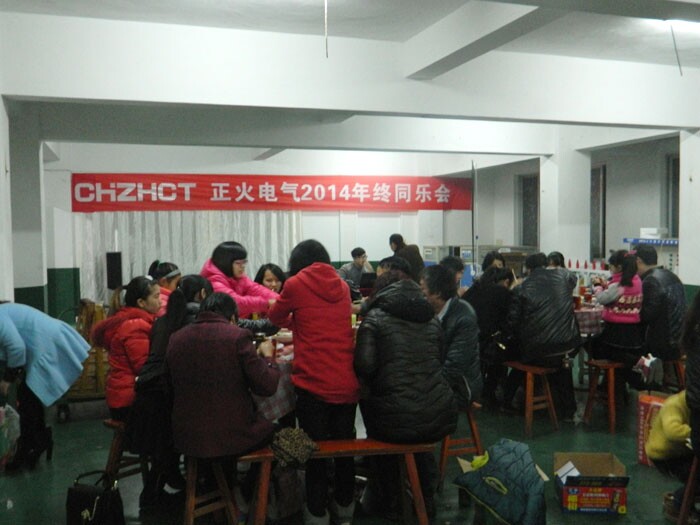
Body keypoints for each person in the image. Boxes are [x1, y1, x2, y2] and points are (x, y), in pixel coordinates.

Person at [268, 239, 359, 525]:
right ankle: (345, 507)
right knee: (344, 448)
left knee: (314, 450)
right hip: (346, 381)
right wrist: (302, 322)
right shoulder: (342, 286)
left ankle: (317, 513)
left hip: (313, 383)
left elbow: (275, 316)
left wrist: (297, 323)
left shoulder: (295, 284)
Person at [355, 270, 458, 519]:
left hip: (395, 421)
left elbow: (364, 367)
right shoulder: (431, 319)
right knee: (413, 426)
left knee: (379, 410)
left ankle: (389, 499)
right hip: (437, 415)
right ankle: (425, 497)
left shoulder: (374, 319)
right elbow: (439, 358)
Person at [165, 292, 279, 487]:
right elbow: (267, 386)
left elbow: (168, 387)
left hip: (186, 437)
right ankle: (249, 490)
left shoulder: (176, 338)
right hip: (230, 436)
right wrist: (268, 358)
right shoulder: (237, 336)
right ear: (233, 318)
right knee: (279, 433)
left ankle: (217, 488)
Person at [128, 274, 211, 507]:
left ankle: (165, 486)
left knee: (171, 438)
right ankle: (205, 485)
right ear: (203, 295)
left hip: (148, 396)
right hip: (165, 399)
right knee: (206, 422)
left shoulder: (162, 321)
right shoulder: (196, 322)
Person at [0, 302, 90, 471]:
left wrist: (8, 379)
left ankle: (31, 445)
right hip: (41, 344)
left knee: (28, 398)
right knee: (30, 397)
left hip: (47, 343)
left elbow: (16, 347)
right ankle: (39, 440)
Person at [505, 252, 580, 420]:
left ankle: (507, 402)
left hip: (538, 351)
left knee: (518, 356)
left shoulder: (521, 288)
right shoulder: (564, 277)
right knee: (563, 365)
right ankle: (568, 411)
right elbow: (573, 278)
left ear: (527, 269)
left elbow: (513, 324)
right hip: (568, 347)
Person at [91, 276, 160, 421]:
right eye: (156, 297)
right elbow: (143, 366)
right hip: (129, 400)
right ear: (141, 302)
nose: (160, 301)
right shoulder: (135, 325)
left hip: (119, 396)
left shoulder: (126, 320)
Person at [421, 264, 483, 409]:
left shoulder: (464, 317)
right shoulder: (428, 311)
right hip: (436, 378)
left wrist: (425, 386)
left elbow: (454, 368)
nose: (419, 293)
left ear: (437, 293)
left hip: (460, 386)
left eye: (422, 289)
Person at [591, 250, 647, 390]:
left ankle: (639, 362)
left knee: (593, 346)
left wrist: (597, 287)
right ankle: (613, 385)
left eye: (611, 266)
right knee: (615, 355)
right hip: (632, 332)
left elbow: (602, 299)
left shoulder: (619, 284)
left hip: (616, 331)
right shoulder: (637, 280)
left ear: (619, 267)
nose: (610, 269)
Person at [463, 267, 516, 408]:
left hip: (468, 338)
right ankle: (493, 393)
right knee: (505, 351)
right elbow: (510, 319)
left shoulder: (473, 289)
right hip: (488, 342)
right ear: (506, 281)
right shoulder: (503, 293)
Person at [644, 390, 696, 523]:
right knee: (695, 478)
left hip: (684, 450)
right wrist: (695, 432)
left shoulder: (693, 404)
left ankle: (685, 500)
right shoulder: (674, 404)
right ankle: (676, 503)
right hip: (665, 455)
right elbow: (672, 431)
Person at [635, 244, 687, 367]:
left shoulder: (651, 280)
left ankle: (625, 378)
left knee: (620, 347)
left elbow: (645, 316)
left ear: (638, 261)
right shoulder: (671, 276)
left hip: (663, 346)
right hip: (680, 341)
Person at [200, 241, 279, 319]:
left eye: (244, 262)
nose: (242, 266)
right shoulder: (214, 281)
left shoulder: (237, 276)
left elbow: (255, 289)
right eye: (238, 263)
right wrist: (266, 303)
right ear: (225, 262)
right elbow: (234, 303)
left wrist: (280, 300)